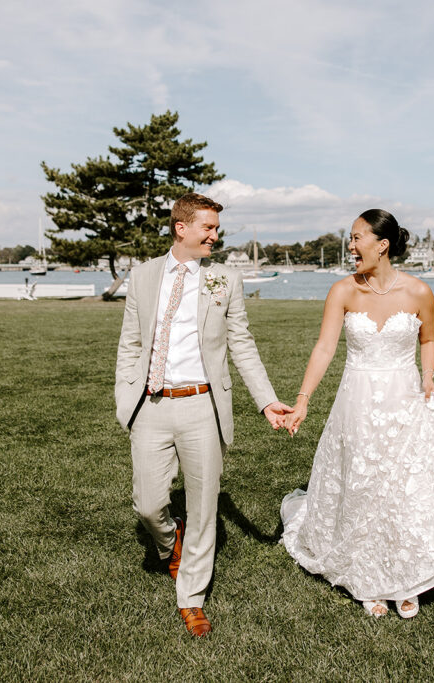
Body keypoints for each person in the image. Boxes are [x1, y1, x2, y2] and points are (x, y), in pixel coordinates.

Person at [280, 209, 434, 619]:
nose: (351, 246)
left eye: (357, 238)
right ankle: (368, 579)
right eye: (350, 238)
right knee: (363, 482)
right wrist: (303, 399)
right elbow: (324, 348)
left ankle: (407, 577)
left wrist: (428, 377)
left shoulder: (419, 292)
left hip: (405, 399)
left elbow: (429, 340)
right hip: (355, 400)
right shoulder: (342, 291)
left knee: (405, 486)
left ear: (382, 245)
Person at [115, 192, 291, 637]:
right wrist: (125, 400)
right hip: (150, 404)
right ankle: (168, 539)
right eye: (208, 228)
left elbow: (242, 345)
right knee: (149, 503)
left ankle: (191, 597)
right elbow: (130, 344)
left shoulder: (224, 279)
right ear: (182, 228)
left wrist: (267, 401)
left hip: (202, 405)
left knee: (204, 506)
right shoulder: (143, 276)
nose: (215, 235)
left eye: (216, 227)